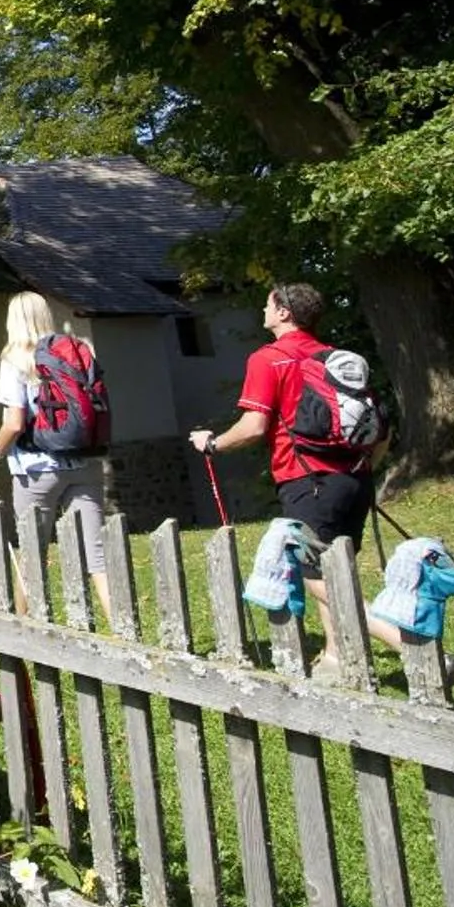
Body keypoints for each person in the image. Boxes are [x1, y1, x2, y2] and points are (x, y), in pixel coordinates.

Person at [189, 282, 399, 675]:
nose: (262, 311)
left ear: (284, 312)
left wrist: (213, 443)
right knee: (335, 566)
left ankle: (407, 643)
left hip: (306, 481)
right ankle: (338, 659)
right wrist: (364, 467)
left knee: (312, 571)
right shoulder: (333, 358)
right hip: (353, 478)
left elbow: (254, 427)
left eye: (268, 305)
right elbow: (381, 431)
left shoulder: (269, 359)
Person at [0, 291, 115, 624]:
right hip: (84, 462)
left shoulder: (15, 360)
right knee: (97, 554)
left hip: (36, 469)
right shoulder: (75, 352)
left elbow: (15, 421)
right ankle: (124, 630)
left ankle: (24, 630)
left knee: (32, 553)